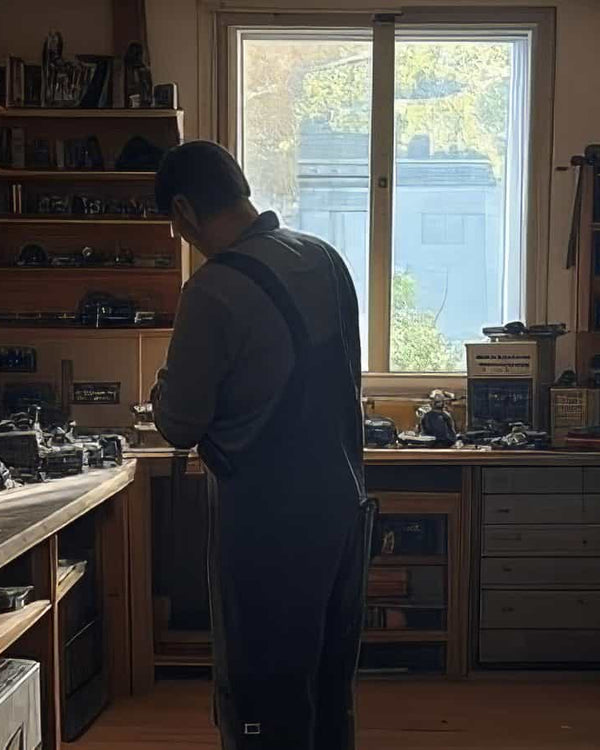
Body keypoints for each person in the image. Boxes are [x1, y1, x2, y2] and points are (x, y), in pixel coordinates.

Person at [152, 141, 371, 750]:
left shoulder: (213, 288)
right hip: (343, 512)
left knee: (261, 699)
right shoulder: (324, 256)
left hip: (269, 528)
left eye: (176, 225)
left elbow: (180, 425)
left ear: (184, 210)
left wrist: (163, 388)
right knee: (328, 692)